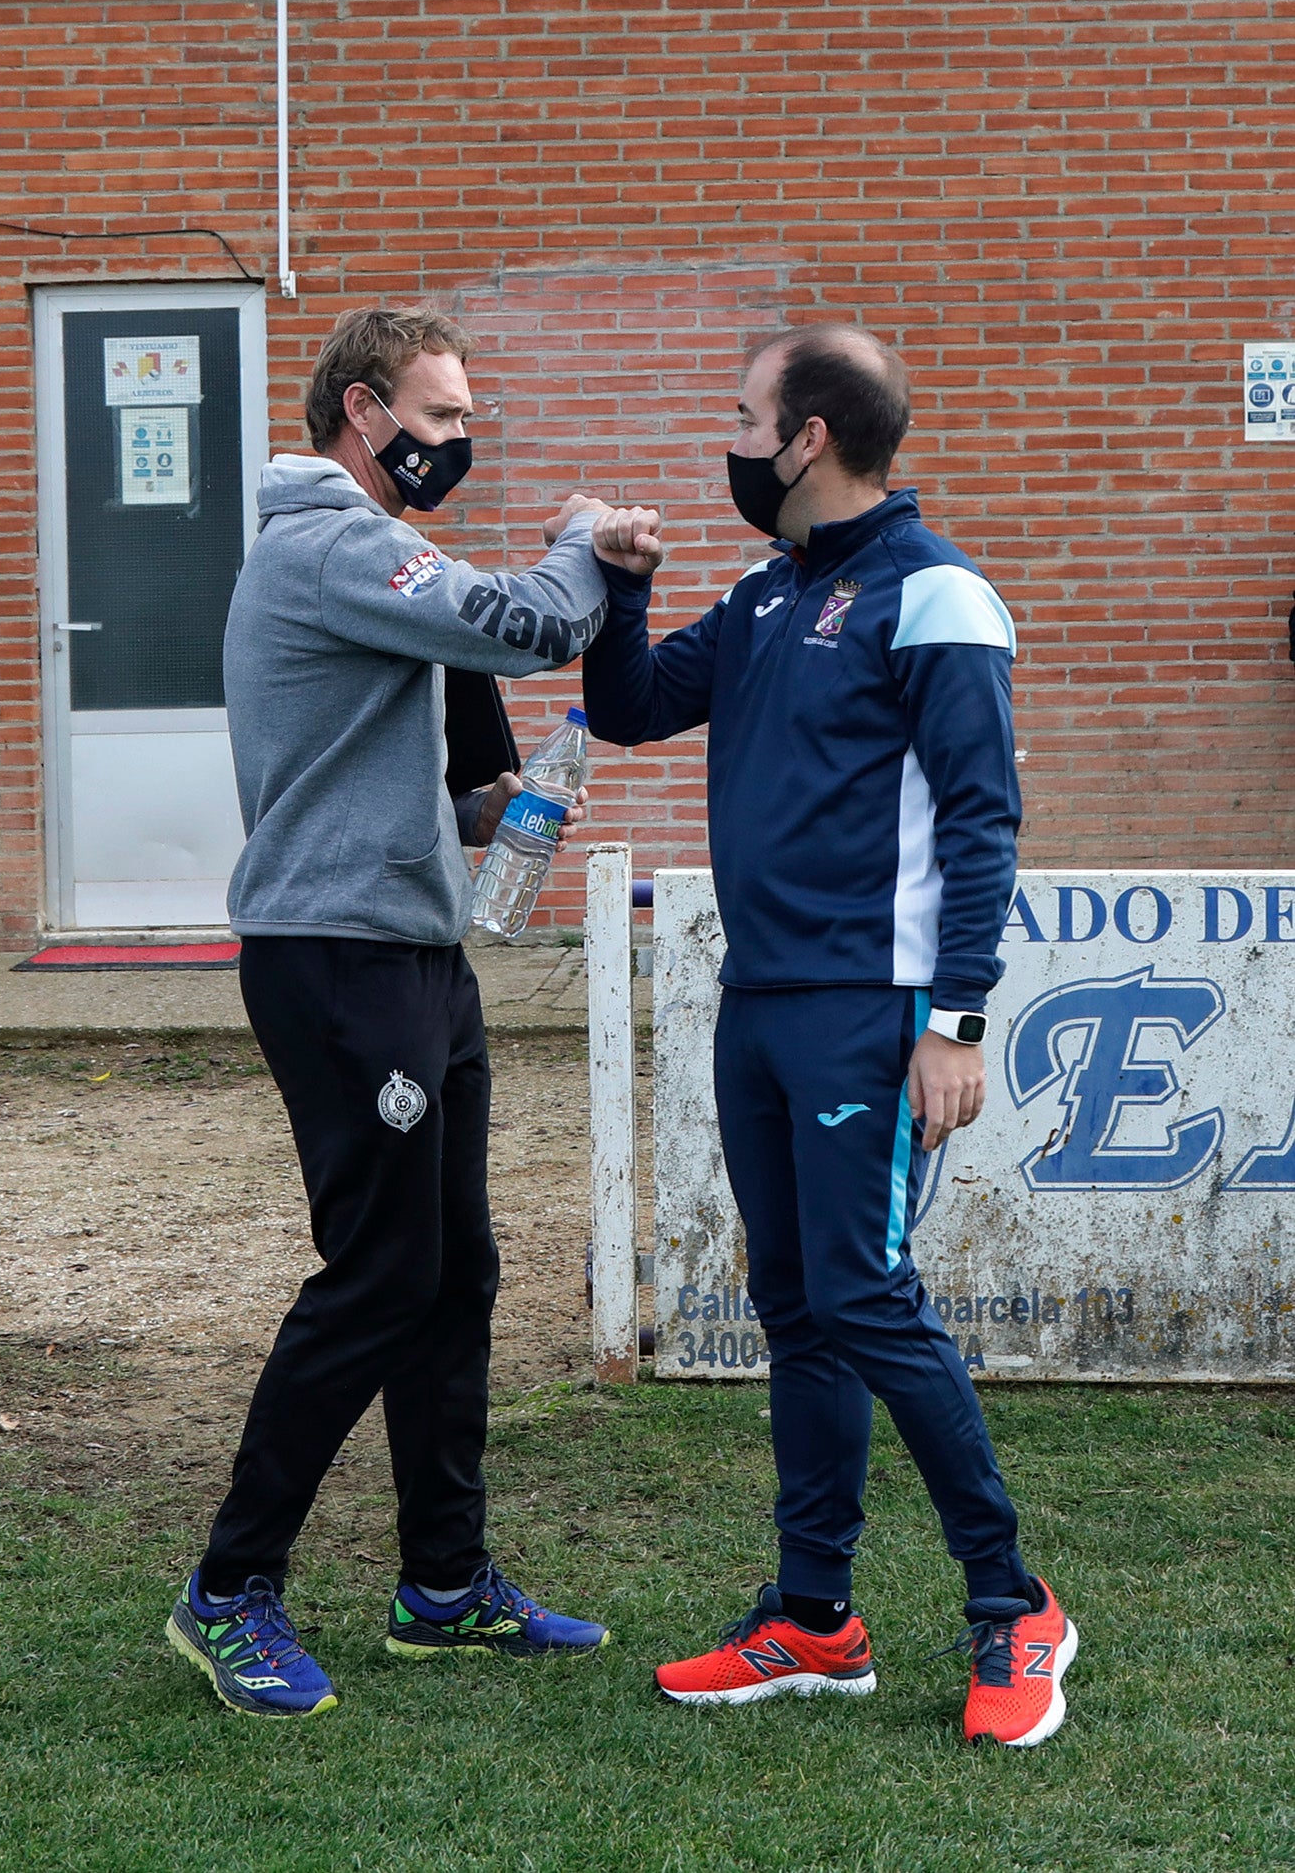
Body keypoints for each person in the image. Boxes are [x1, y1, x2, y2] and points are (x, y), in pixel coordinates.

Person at [582, 323, 1076, 1748]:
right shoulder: (759, 594)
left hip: (875, 1011)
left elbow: (981, 824)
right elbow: (628, 708)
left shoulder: (938, 596)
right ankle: (814, 1618)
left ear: (806, 439)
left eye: (745, 419)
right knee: (796, 1306)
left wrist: (956, 1022)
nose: (730, 444)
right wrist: (623, 587)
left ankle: (1014, 1604)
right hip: (760, 1003)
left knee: (864, 1299)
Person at [165, 305, 661, 1717]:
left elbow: (398, 769)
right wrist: (584, 541)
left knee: (454, 1272)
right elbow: (529, 622)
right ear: (364, 411)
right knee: (380, 1274)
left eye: (464, 420)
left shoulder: (375, 556)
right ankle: (227, 1592)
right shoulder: (329, 544)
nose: (458, 440)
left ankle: (443, 1586)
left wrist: (486, 812)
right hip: (336, 960)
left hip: (415, 955)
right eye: (442, 418)